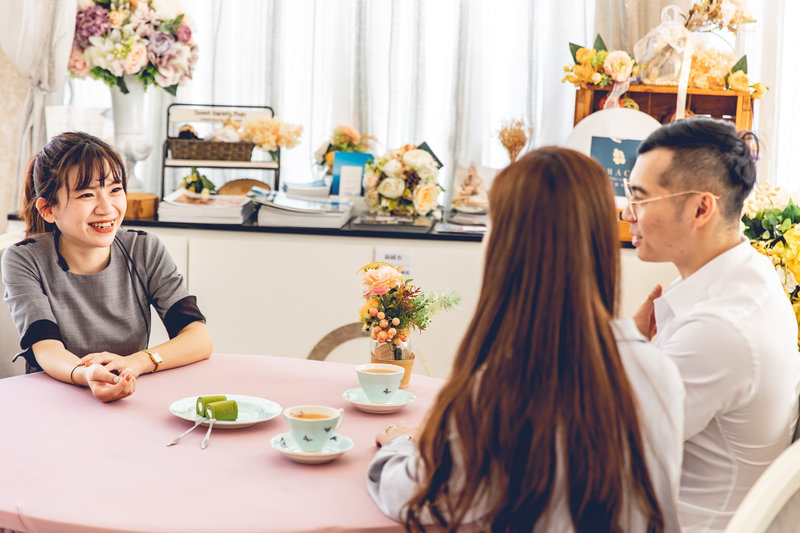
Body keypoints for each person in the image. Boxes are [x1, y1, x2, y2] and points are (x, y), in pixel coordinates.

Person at [367, 147, 685, 532]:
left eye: (490, 225)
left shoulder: (498, 392)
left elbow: (409, 495)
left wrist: (402, 445)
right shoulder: (659, 373)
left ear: (507, 248)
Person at [623, 117, 800, 532]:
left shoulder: (719, 329)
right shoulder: (748, 272)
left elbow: (606, 442)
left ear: (701, 208)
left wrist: (625, 340)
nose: (627, 213)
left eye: (640, 198)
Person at [2, 131, 212, 403]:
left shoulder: (144, 249)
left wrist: (136, 363)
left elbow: (198, 337)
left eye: (115, 190)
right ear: (48, 209)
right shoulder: (24, 259)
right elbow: (46, 347)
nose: (107, 208)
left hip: (129, 396)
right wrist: (86, 374)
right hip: (52, 400)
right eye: (87, 194)